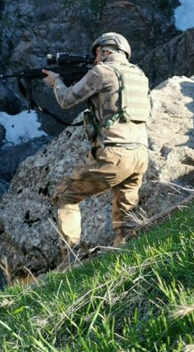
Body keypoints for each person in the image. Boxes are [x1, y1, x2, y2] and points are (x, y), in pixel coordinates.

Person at [42, 32, 151, 269]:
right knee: (125, 215)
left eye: (97, 54)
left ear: (105, 51)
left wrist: (55, 82)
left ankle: (70, 263)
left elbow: (66, 100)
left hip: (114, 153)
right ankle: (127, 261)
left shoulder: (102, 72)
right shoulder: (140, 75)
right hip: (140, 154)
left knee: (65, 196)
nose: (95, 59)